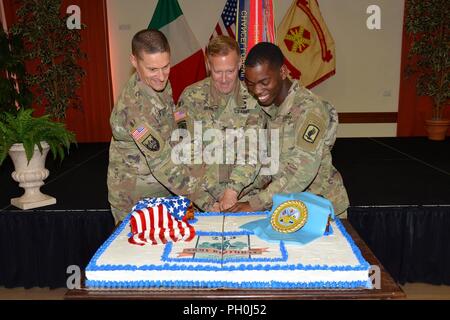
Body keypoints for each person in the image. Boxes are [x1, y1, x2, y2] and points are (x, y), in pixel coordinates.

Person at [224, 42, 349, 217]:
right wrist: (233, 193)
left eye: (264, 82)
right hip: (287, 208)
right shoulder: (264, 108)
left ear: (282, 72)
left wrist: (255, 204)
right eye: (250, 84)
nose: (257, 91)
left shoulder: (310, 109)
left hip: (320, 210)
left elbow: (300, 172)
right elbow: (258, 159)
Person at [107, 29, 214, 224]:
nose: (162, 76)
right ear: (134, 61)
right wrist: (207, 201)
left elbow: (172, 114)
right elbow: (163, 164)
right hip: (136, 200)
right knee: (143, 253)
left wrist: (185, 127)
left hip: (167, 189)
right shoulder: (134, 109)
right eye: (153, 69)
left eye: (166, 66)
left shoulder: (158, 83)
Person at [175, 35, 266, 211]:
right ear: (208, 65)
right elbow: (186, 151)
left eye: (230, 71)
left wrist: (231, 193)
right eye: (217, 71)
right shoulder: (191, 97)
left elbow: (252, 149)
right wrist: (211, 201)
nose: (224, 79)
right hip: (202, 199)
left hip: (244, 200)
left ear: (240, 64)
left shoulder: (254, 98)